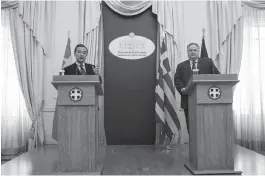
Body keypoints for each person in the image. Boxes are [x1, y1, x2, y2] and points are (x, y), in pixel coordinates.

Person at [52, 44, 100, 141]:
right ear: (74, 53)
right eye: (79, 52)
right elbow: (63, 87)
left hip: (89, 107)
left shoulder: (92, 68)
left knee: (87, 135)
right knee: (73, 135)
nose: (81, 54)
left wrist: (97, 75)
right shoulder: (67, 69)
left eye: (84, 52)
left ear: (86, 55)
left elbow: (99, 84)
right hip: (71, 108)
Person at [174, 42, 220, 134]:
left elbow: (217, 75)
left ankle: (206, 146)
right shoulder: (181, 66)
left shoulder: (208, 62)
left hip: (206, 101)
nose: (192, 52)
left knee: (206, 126)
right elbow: (177, 80)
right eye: (190, 50)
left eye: (195, 50)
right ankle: (193, 147)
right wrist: (182, 89)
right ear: (187, 52)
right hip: (188, 101)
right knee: (191, 127)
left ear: (198, 51)